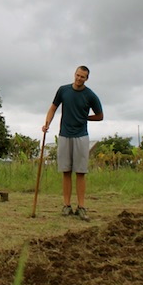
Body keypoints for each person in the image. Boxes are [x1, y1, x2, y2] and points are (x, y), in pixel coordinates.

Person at [42, 66, 103, 221]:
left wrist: (85, 118)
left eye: (82, 77)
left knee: (81, 172)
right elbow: (53, 108)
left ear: (86, 79)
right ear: (74, 74)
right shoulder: (63, 90)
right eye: (77, 75)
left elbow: (100, 116)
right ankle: (66, 205)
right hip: (64, 135)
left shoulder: (90, 95)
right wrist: (47, 123)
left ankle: (81, 207)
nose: (79, 78)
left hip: (81, 136)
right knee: (66, 171)